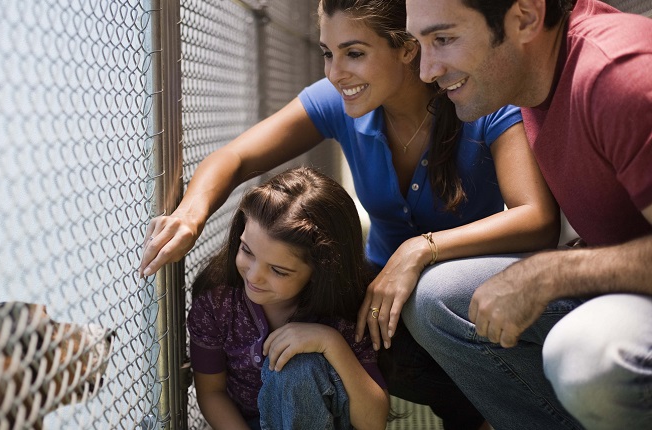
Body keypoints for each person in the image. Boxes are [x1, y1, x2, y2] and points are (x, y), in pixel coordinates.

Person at [140, 0, 560, 428]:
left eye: (354, 53)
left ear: (408, 49)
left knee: (426, 304)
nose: (334, 72)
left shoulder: (479, 96)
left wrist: (419, 251)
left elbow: (537, 218)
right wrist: (191, 215)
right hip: (382, 305)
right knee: (362, 334)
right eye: (327, 52)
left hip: (468, 299)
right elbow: (236, 157)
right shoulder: (338, 100)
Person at [404, 0, 652, 429]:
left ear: (525, 18)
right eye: (419, 43)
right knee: (437, 300)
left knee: (588, 357)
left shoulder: (619, 77)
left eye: (443, 39)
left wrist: (553, 272)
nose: (427, 71)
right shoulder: (530, 80)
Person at [187, 167, 389, 430]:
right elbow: (211, 392)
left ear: (321, 272)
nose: (255, 276)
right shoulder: (217, 303)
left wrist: (330, 342)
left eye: (278, 270)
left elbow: (374, 422)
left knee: (299, 368)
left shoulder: (347, 311)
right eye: (247, 250)